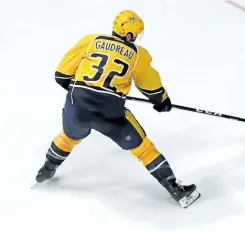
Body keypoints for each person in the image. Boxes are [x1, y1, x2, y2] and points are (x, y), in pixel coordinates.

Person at [35, 10, 200, 208]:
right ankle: (176, 190)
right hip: (109, 112)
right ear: (130, 34)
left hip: (77, 106)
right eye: (136, 34)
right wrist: (161, 100)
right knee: (143, 148)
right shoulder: (137, 55)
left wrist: (84, 91)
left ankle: (46, 169)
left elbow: (61, 76)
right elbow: (152, 87)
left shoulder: (90, 40)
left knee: (68, 136)